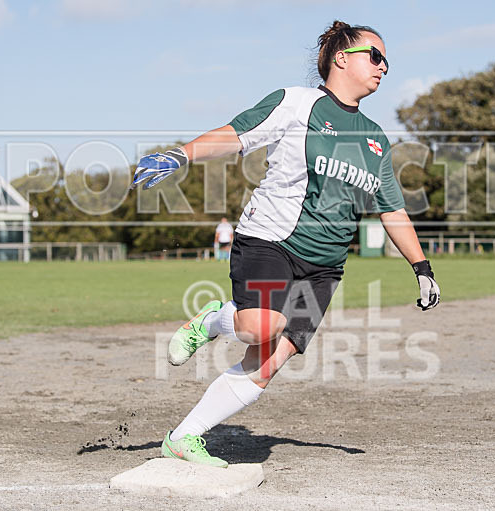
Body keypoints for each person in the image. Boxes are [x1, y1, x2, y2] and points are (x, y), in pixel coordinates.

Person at [131, 21, 440, 467]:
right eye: (375, 55)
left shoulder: (375, 139)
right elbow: (234, 134)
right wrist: (181, 155)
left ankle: (183, 438)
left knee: (269, 360)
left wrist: (422, 267)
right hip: (270, 240)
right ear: (341, 58)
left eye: (387, 61)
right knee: (260, 326)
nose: (383, 67)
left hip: (325, 268)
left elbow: (391, 209)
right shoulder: (297, 104)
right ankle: (213, 320)